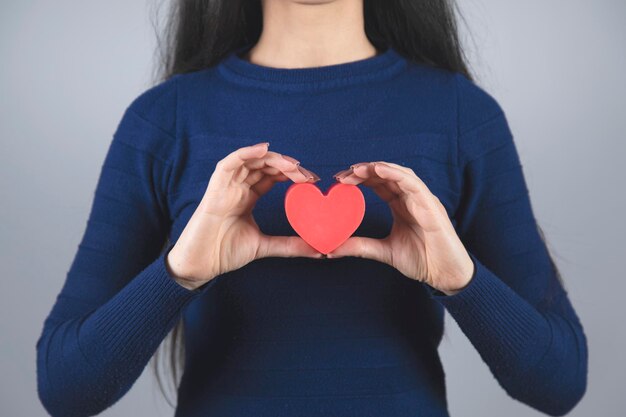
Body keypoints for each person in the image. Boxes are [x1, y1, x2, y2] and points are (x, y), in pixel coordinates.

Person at [36, 0, 588, 416]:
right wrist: (179, 274)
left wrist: (460, 280)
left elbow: (560, 382)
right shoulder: (165, 119)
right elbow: (64, 388)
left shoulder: (463, 114)